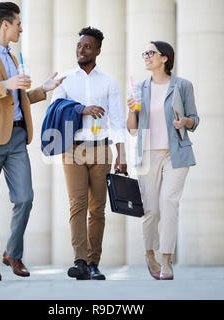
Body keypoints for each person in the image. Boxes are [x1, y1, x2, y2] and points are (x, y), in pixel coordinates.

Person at [0, 2, 64, 281]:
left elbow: (16, 102)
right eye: (18, 23)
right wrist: (5, 86)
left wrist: (41, 90)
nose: (22, 28)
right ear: (5, 24)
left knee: (25, 198)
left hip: (18, 136)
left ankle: (12, 253)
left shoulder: (14, 55)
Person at [51, 26, 127, 280]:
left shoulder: (108, 82)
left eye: (87, 47)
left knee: (98, 209)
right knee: (77, 206)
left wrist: (121, 155)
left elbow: (117, 122)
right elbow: (56, 109)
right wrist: (81, 109)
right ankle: (80, 261)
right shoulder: (65, 79)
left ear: (97, 51)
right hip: (73, 150)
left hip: (102, 150)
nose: (81, 50)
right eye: (79, 46)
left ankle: (94, 263)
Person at [126, 41, 199, 280]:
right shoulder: (138, 88)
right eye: (144, 53)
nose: (146, 56)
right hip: (147, 155)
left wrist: (184, 122)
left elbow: (194, 120)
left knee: (169, 203)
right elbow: (132, 130)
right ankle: (150, 254)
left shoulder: (183, 85)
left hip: (176, 153)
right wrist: (131, 110)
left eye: (151, 53)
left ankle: (166, 260)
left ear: (164, 58)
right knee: (151, 210)